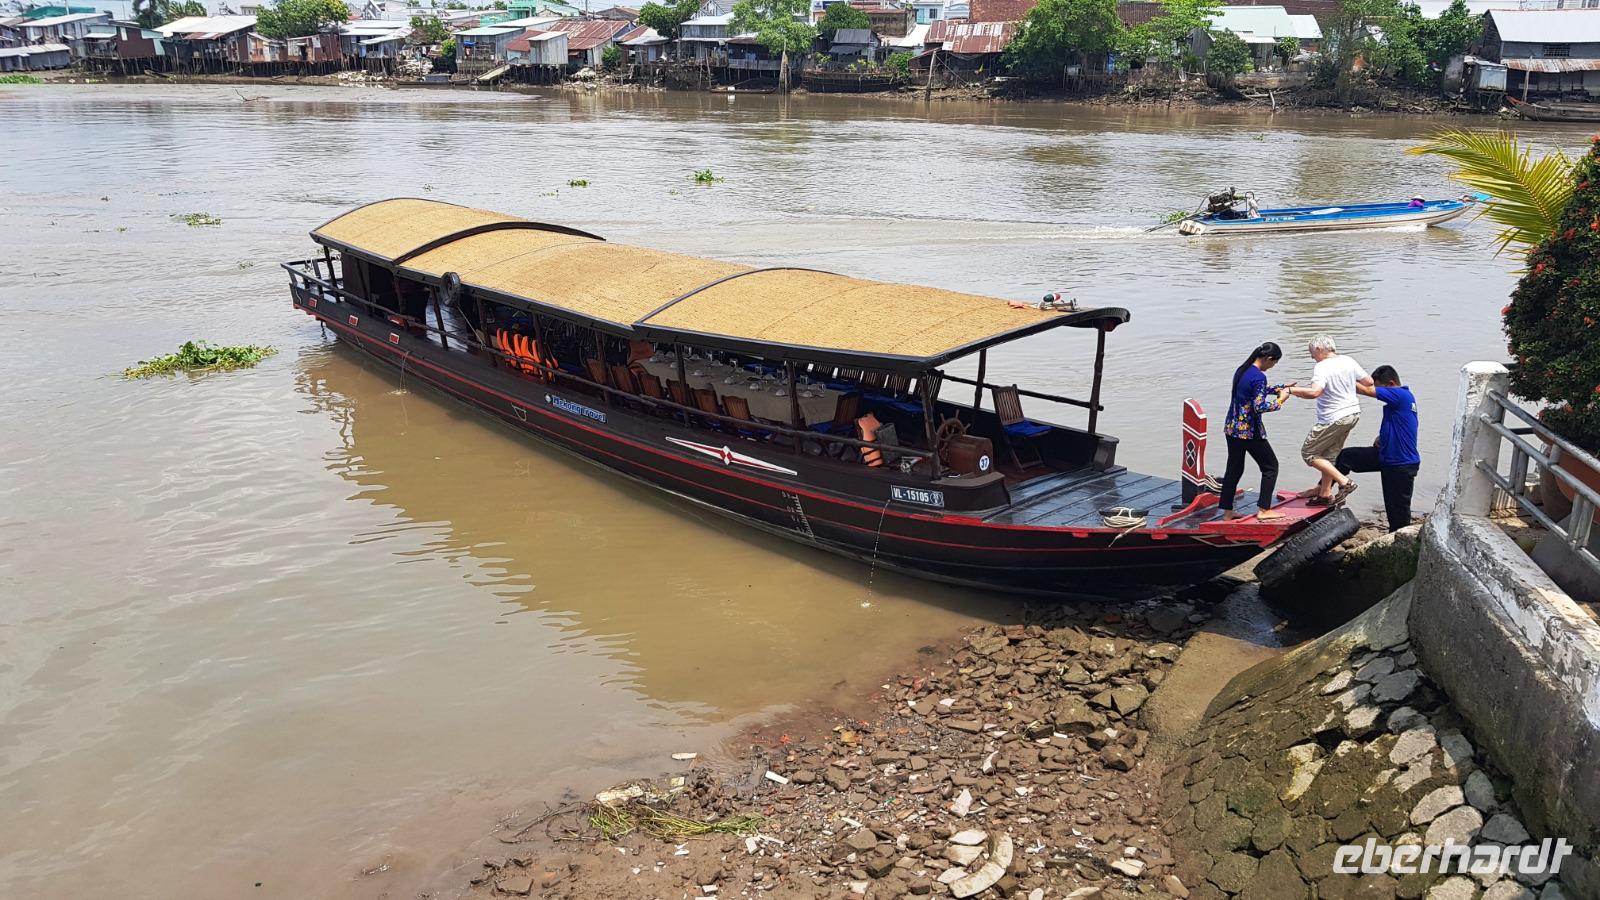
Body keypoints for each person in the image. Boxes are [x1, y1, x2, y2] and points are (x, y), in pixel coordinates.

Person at [1288, 334, 1373, 506]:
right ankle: (1324, 494)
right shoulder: (1348, 361)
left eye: (1312, 353)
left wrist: (1291, 390)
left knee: (1309, 453)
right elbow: (1369, 381)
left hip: (1334, 417)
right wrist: (1345, 382)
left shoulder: (1322, 366)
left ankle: (1344, 482)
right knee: (1329, 455)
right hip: (1353, 413)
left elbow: (1314, 392)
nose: (1312, 357)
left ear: (1319, 349)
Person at [1335, 365, 1420, 532]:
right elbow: (1403, 425)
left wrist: (1337, 379)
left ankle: (1398, 541)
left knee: (1397, 511)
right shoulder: (1399, 401)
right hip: (1386, 456)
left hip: (1401, 464)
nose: (1379, 394)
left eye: (1379, 388)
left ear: (1390, 384)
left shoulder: (1401, 394)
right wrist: (1381, 437)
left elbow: (1366, 390)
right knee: (1346, 457)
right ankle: (1324, 491)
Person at [1218, 342, 1294, 521]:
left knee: (1234, 469)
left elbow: (1252, 392)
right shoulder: (1259, 377)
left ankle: (1227, 513)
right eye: (1274, 363)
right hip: (1249, 431)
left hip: (1232, 428)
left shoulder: (1242, 369)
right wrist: (1281, 400)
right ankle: (1264, 509)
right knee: (1270, 466)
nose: (1272, 367)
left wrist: (1279, 388)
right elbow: (1258, 406)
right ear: (1268, 359)